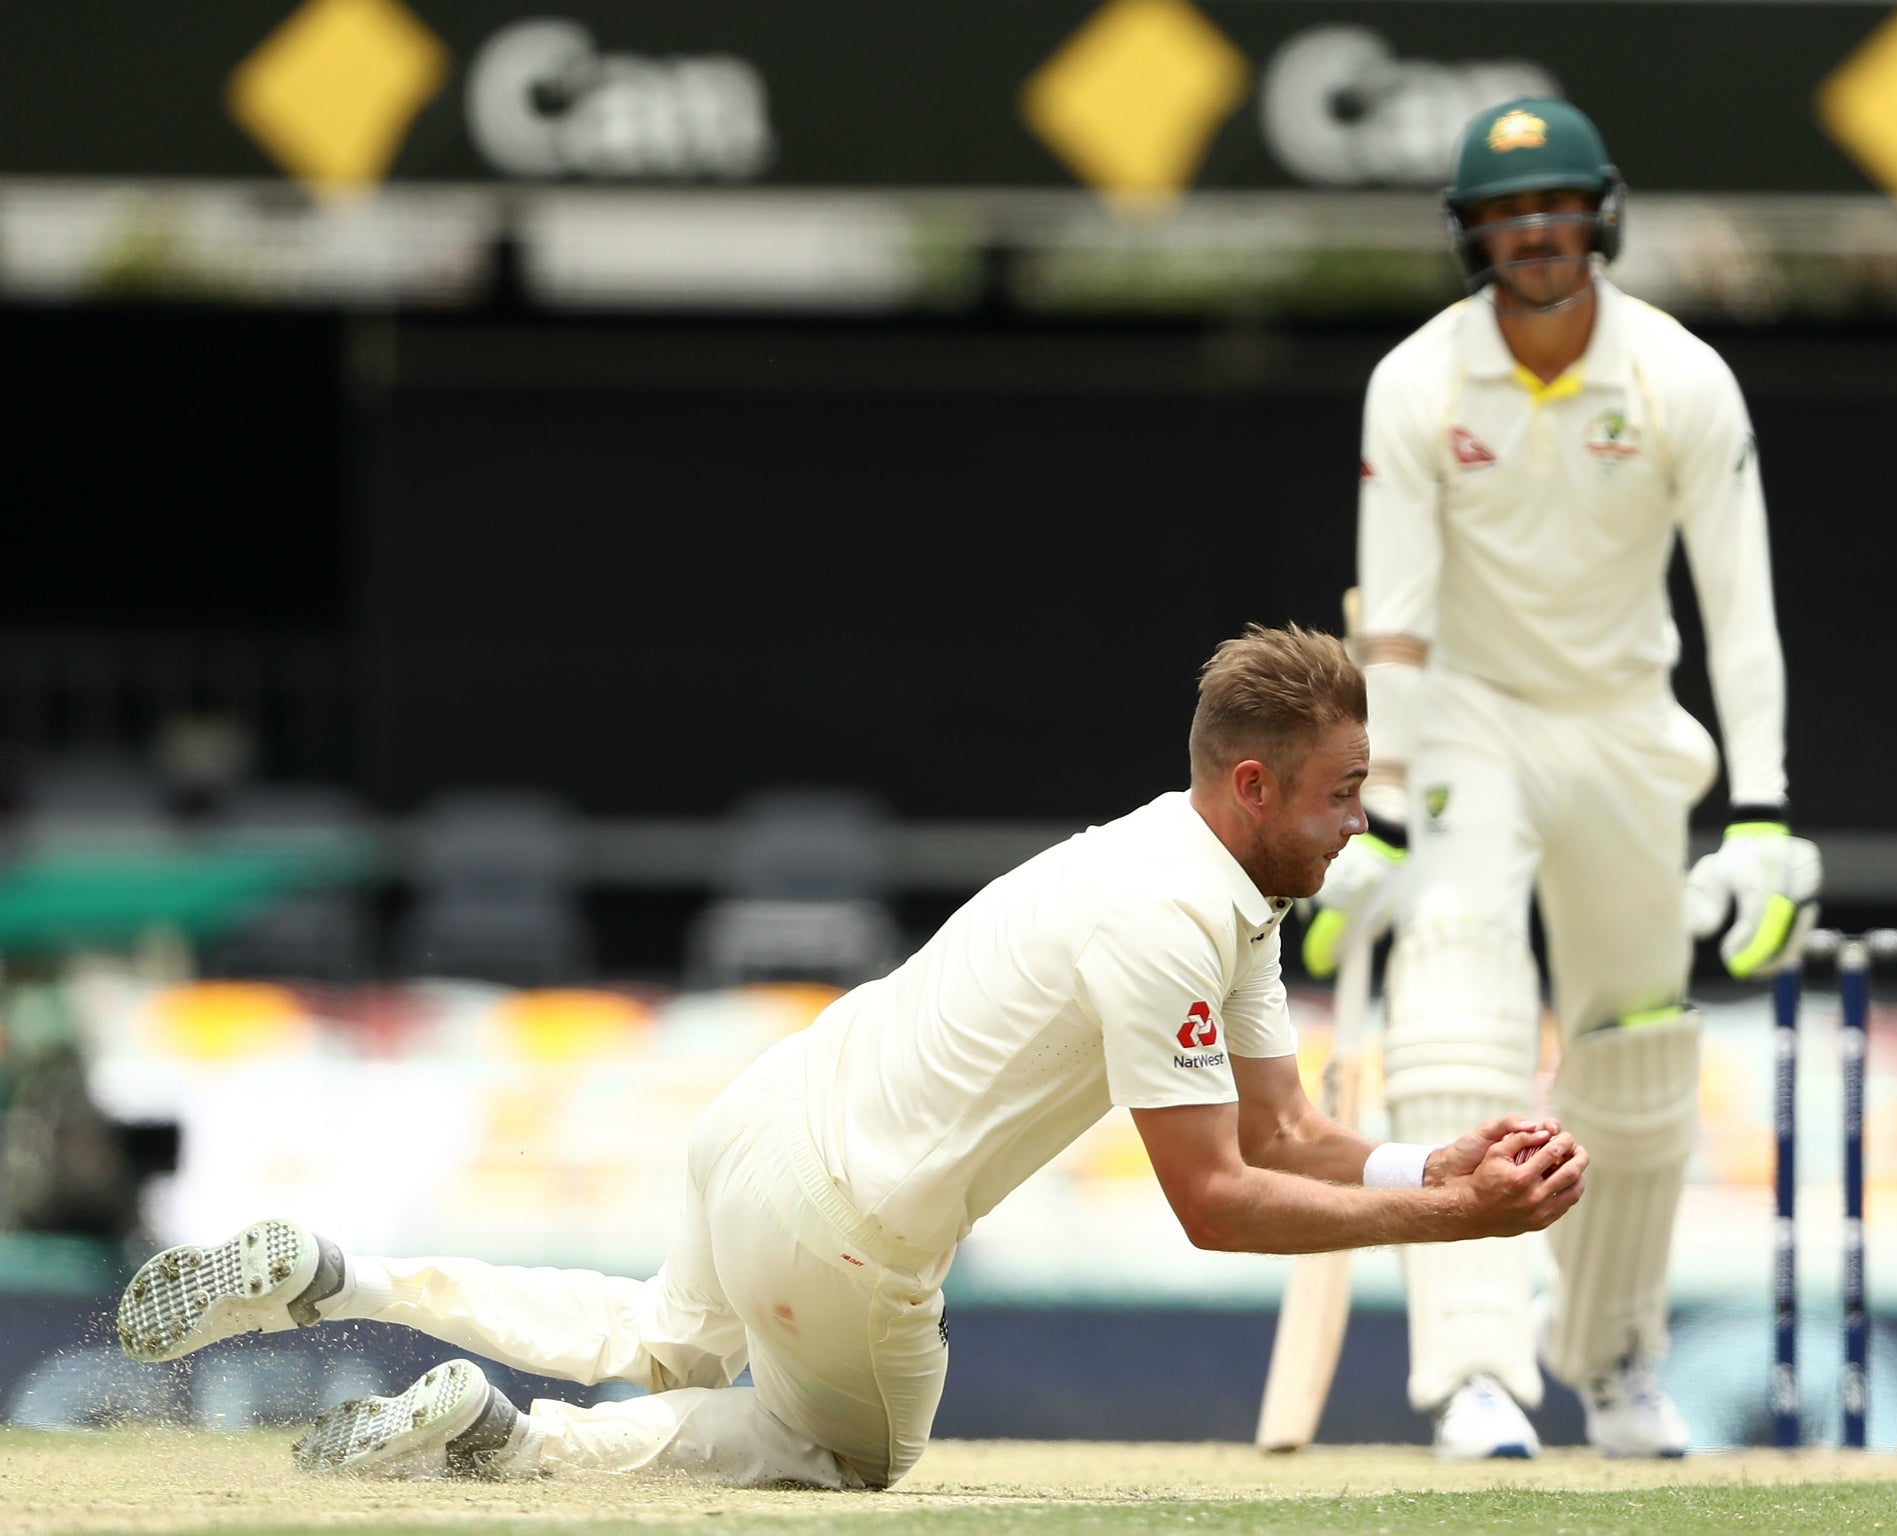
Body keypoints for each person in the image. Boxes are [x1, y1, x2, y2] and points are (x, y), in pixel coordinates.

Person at [114, 624, 1589, 1488]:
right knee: (845, 1462)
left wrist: (1423, 1162)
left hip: (761, 1121)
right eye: (1341, 796)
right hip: (849, 1229)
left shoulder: (1212, 878)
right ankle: (516, 1448)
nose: (1358, 826)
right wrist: (1453, 1221)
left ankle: (341, 1280)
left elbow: (1283, 1132)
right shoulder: (1167, 918)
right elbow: (1216, 1202)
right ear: (1256, 784)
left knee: (663, 1338)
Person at [1302, 99, 1821, 1460]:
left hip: (1628, 728)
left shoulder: (1679, 378)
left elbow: (1742, 607)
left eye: (1556, 209)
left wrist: (1762, 814)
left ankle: (1610, 1364)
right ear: (1472, 236)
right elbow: (1397, 624)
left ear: (1602, 214)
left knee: (1637, 1049)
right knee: (1460, 991)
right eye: (1506, 215)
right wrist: (1385, 815)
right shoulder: (1417, 384)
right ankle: (1475, 1369)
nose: (1535, 235)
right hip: (1468, 719)